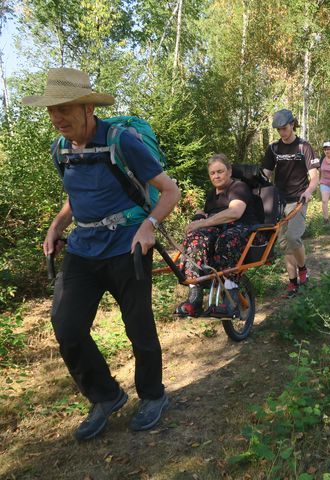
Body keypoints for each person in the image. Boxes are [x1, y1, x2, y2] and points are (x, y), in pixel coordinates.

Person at [22, 68, 181, 441]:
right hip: (83, 249)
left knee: (138, 326)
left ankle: (153, 396)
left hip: (129, 245)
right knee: (66, 324)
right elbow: (77, 196)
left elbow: (169, 191)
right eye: (51, 110)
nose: (57, 117)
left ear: (89, 108)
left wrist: (149, 226)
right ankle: (106, 396)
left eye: (64, 108)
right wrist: (57, 226)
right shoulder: (60, 149)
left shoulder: (122, 142)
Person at [175, 153, 261, 317]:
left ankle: (230, 297)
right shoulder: (211, 194)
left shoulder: (238, 187)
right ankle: (195, 297)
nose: (216, 176)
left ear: (229, 171)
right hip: (220, 229)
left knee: (226, 239)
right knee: (195, 238)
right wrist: (199, 218)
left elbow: (235, 212)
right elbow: (209, 216)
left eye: (220, 171)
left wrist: (203, 223)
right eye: (213, 173)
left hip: (242, 229)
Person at [262, 109, 320, 297]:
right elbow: (265, 174)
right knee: (284, 243)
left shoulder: (304, 147)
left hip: (298, 199)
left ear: (292, 125)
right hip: (279, 201)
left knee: (294, 238)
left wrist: (309, 191)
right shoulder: (273, 149)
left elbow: (314, 176)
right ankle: (292, 283)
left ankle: (303, 269)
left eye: (285, 128)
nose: (282, 133)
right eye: (279, 130)